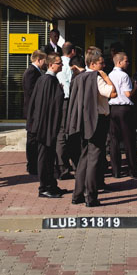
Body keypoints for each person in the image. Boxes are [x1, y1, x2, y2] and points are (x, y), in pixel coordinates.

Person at [67, 46, 115, 207]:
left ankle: (77, 194)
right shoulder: (97, 77)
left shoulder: (79, 78)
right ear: (93, 64)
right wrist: (106, 77)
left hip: (83, 121)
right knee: (94, 158)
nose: (104, 65)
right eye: (101, 63)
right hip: (98, 120)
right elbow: (112, 93)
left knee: (84, 157)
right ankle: (91, 196)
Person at [27, 54, 66, 197]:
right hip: (45, 126)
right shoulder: (48, 80)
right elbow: (48, 105)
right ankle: (44, 188)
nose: (61, 65)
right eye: (59, 63)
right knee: (45, 156)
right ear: (51, 65)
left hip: (45, 125)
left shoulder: (45, 80)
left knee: (50, 156)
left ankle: (51, 184)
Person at [107, 52, 137, 178]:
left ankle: (116, 170)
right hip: (124, 107)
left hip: (113, 107)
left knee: (114, 140)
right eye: (126, 61)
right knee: (129, 140)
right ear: (119, 62)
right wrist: (135, 87)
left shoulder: (109, 75)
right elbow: (127, 94)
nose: (128, 63)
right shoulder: (124, 75)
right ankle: (133, 169)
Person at [22, 49, 47, 176]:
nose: (45, 63)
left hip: (34, 110)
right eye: (44, 61)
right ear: (39, 60)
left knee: (34, 137)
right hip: (32, 111)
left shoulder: (35, 71)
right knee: (32, 138)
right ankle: (32, 165)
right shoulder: (31, 72)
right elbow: (31, 92)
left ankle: (34, 164)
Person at [55, 43, 77, 179]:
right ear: (73, 51)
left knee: (64, 133)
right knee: (63, 133)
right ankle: (63, 167)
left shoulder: (60, 63)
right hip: (66, 100)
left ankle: (66, 164)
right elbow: (67, 86)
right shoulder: (68, 65)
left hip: (63, 100)